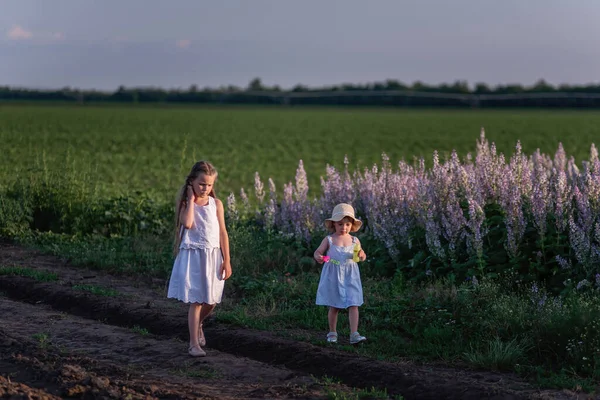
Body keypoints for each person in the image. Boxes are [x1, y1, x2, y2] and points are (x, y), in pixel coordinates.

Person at [167, 160, 233, 357]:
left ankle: (199, 324)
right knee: (196, 300)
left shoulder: (217, 204)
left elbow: (223, 232)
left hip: (213, 256)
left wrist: (227, 259)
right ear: (192, 182)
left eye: (210, 185)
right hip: (194, 257)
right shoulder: (187, 204)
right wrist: (189, 198)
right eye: (201, 184)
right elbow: (187, 224)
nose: (205, 188)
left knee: (211, 300)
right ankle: (193, 344)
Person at [313, 203, 367, 344]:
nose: (344, 227)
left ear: (352, 225)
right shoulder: (329, 240)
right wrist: (319, 256)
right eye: (340, 224)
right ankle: (332, 332)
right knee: (334, 305)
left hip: (351, 275)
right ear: (334, 225)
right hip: (334, 275)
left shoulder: (355, 240)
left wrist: (362, 255)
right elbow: (318, 252)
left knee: (353, 303)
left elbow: (361, 254)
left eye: (347, 224)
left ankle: (354, 333)